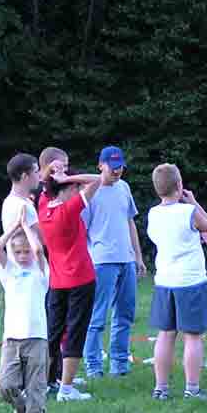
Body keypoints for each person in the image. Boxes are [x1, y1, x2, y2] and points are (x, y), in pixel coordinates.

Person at [147, 164, 207, 400]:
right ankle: (192, 388)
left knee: (165, 334)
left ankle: (161, 388)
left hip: (164, 281)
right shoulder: (188, 211)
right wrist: (194, 203)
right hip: (190, 281)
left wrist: (195, 232)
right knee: (193, 336)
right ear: (179, 185)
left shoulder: (153, 214)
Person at [81, 146, 147, 379]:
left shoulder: (124, 188)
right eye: (113, 167)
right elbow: (82, 230)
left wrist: (138, 257)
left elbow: (130, 222)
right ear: (101, 165)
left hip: (126, 260)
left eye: (120, 167)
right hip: (101, 262)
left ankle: (119, 364)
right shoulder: (90, 192)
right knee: (97, 316)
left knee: (125, 314)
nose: (117, 171)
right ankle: (93, 365)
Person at [38, 169, 101, 402]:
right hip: (80, 280)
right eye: (75, 188)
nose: (78, 190)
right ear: (66, 189)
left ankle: (45, 382)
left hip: (57, 282)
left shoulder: (44, 207)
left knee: (53, 333)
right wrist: (68, 178)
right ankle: (66, 389)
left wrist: (52, 174)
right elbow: (99, 180)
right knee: (75, 332)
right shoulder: (69, 209)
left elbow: (44, 185)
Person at [0, 206, 49, 413]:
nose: (23, 256)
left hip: (36, 337)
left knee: (36, 387)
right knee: (5, 385)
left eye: (26, 251)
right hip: (12, 339)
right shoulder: (9, 272)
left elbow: (39, 249)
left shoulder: (41, 272)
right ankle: (21, 407)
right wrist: (15, 226)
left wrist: (27, 227)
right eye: (18, 252)